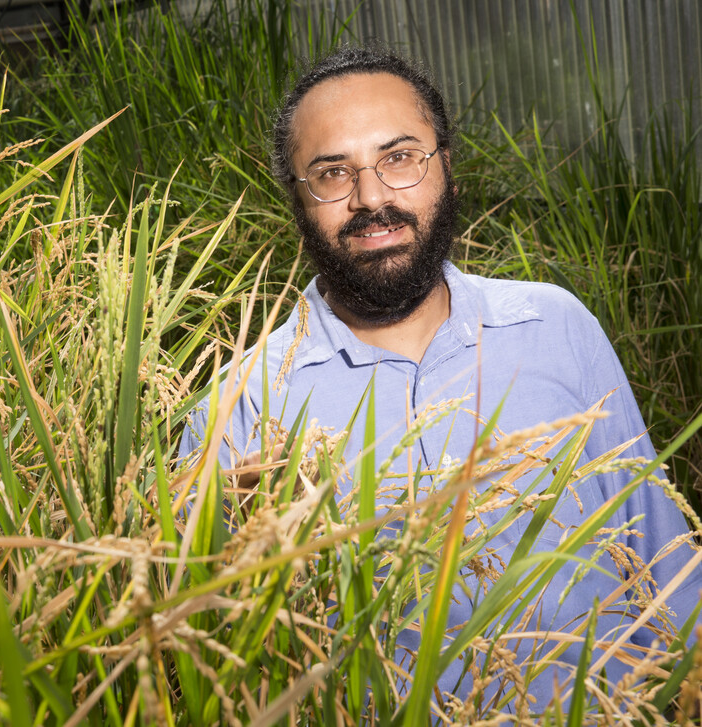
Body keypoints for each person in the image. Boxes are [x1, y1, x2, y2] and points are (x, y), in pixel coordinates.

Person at [177, 45, 701, 712]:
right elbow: (208, 661)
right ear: (298, 202)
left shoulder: (557, 327)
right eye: (333, 173)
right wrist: (241, 557)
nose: (372, 199)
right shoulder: (240, 405)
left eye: (399, 158)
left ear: (447, 169)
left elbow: (671, 570)